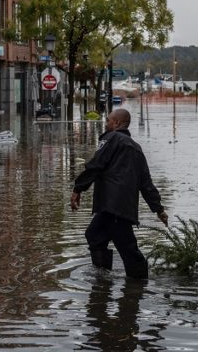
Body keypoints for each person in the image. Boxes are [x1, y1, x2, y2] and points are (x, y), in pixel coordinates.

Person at [71, 108, 169, 278]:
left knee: (127, 248)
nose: (106, 123)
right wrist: (158, 209)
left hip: (113, 206)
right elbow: (146, 184)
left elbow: (96, 164)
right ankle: (103, 278)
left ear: (117, 123)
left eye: (108, 120)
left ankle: (138, 284)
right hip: (119, 206)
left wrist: (78, 188)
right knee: (94, 236)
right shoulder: (136, 148)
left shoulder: (111, 138)